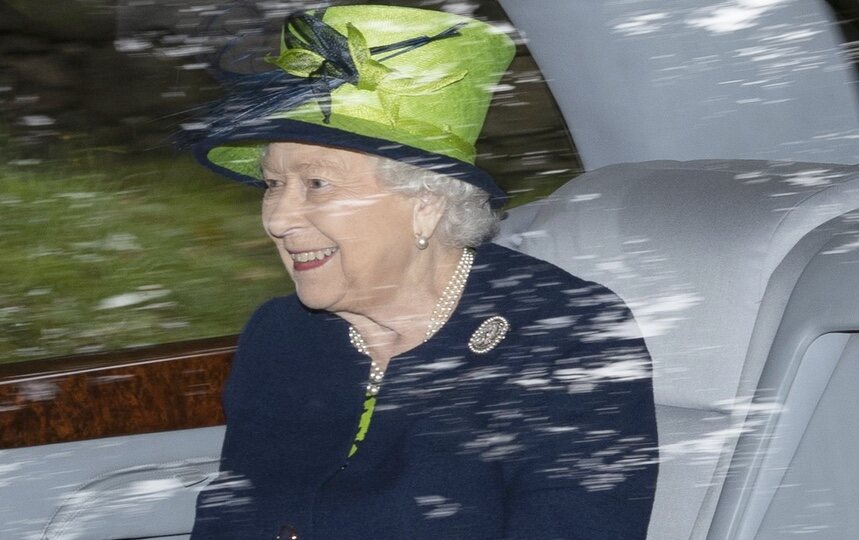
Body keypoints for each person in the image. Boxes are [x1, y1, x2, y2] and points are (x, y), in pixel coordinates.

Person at [183, 5, 657, 539]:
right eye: (273, 185)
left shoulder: (566, 338)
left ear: (425, 203)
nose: (278, 219)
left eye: (316, 185)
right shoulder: (280, 336)